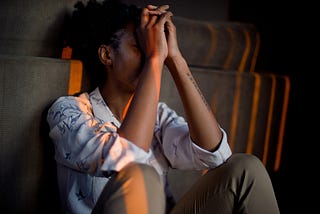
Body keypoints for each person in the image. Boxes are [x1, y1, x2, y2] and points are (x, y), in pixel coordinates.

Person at [47, 0, 280, 213]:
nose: (152, 52)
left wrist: (175, 59)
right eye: (141, 46)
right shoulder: (68, 112)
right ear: (107, 55)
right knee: (141, 175)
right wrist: (155, 59)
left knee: (246, 169)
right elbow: (130, 159)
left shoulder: (159, 115)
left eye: (155, 47)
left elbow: (217, 155)